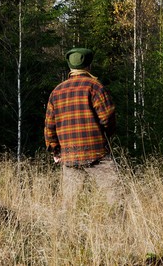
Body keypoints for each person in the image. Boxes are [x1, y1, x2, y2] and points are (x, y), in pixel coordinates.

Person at [44, 47, 121, 206]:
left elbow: (49, 127)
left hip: (69, 154)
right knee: (115, 196)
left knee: (69, 204)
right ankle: (118, 228)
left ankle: (67, 230)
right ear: (88, 66)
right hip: (96, 152)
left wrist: (55, 150)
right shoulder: (95, 87)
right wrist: (106, 137)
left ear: (70, 68)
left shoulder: (56, 92)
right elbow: (108, 117)